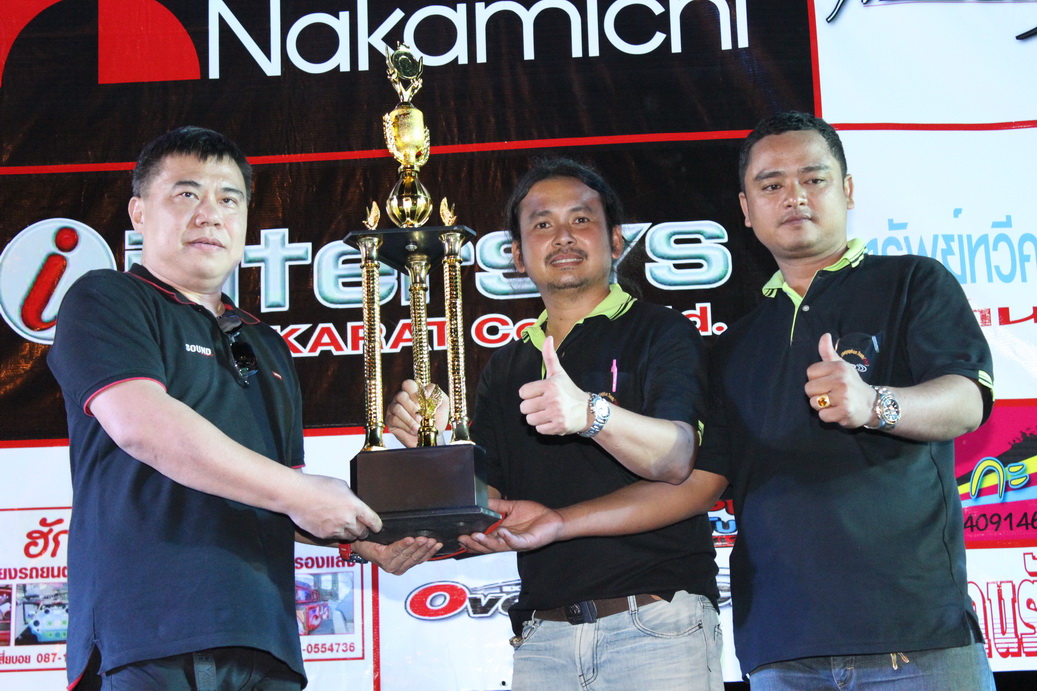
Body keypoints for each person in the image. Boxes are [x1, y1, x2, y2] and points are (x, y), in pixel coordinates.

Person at [473, 113, 996, 689]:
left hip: (916, 634)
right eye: (771, 185)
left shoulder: (911, 282)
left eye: (813, 179)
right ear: (746, 210)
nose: (794, 196)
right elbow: (700, 482)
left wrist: (877, 405)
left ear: (847, 190)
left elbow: (966, 400)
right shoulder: (734, 345)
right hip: (779, 648)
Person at [48, 126, 438, 690]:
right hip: (153, 634)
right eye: (186, 193)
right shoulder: (107, 298)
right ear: (138, 212)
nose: (210, 214)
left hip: (266, 641)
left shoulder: (265, 345)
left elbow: (281, 497)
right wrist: (301, 494)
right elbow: (140, 424)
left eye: (229, 199)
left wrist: (360, 537)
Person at [387, 158, 723, 691]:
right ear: (518, 256)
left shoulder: (663, 332)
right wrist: (434, 447)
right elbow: (487, 501)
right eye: (542, 224)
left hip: (655, 623)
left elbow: (679, 460)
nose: (563, 236)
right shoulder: (508, 366)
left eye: (581, 219)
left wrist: (592, 415)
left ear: (616, 241)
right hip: (543, 638)